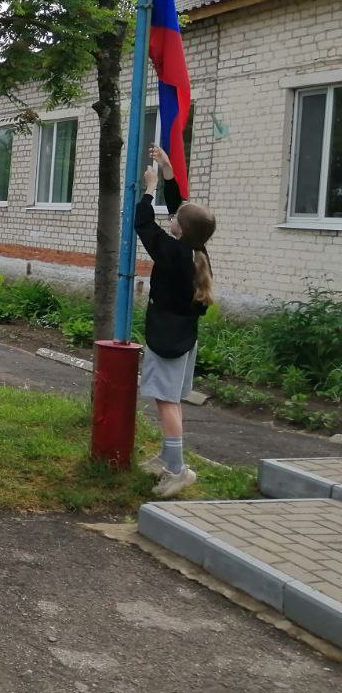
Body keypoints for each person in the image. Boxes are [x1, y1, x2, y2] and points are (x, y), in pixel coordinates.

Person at [136, 143, 216, 499]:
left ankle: (177, 469)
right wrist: (168, 170)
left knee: (167, 401)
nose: (172, 219)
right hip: (184, 336)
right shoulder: (196, 250)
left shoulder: (171, 253)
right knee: (170, 399)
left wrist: (150, 187)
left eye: (175, 220)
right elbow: (181, 206)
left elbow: (144, 223)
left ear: (180, 230)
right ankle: (167, 458)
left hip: (167, 339)